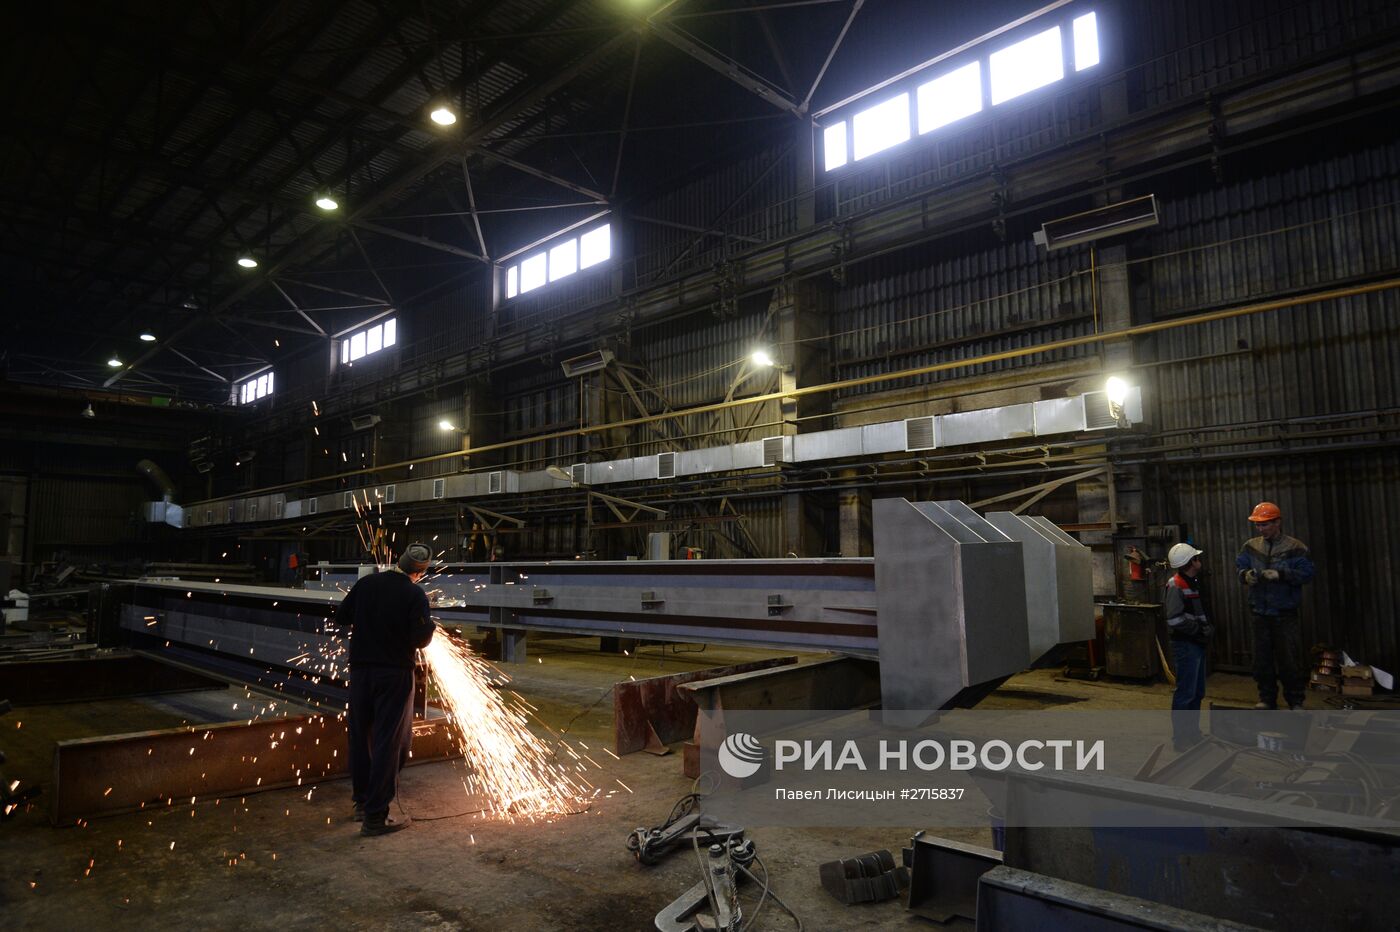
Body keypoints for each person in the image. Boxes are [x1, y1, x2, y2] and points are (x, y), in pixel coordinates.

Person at [339, 543, 436, 836]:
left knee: (361, 736)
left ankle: (361, 803)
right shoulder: (414, 593)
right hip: (393, 675)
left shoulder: (367, 583)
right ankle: (376, 817)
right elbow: (420, 639)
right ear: (419, 572)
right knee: (387, 742)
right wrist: (429, 628)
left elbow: (342, 617)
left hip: (360, 672)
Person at [1235, 502, 1315, 710]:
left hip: (1284, 615)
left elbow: (1307, 573)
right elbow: (1240, 567)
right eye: (1258, 525)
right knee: (1262, 661)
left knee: (1289, 661)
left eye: (1265, 524)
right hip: (1259, 614)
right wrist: (1246, 576)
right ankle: (1266, 698)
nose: (1260, 529)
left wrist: (1282, 574)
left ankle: (1295, 701)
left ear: (1277, 522)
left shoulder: (1295, 548)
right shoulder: (1250, 547)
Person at [1163, 543, 1212, 750]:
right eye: (1196, 558)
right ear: (1191, 562)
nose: (1198, 560)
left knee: (1197, 692)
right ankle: (1181, 739)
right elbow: (1173, 619)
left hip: (1195, 643)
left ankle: (1192, 733)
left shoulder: (1191, 581)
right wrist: (1198, 630)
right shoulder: (1176, 585)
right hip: (1186, 645)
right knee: (1186, 693)